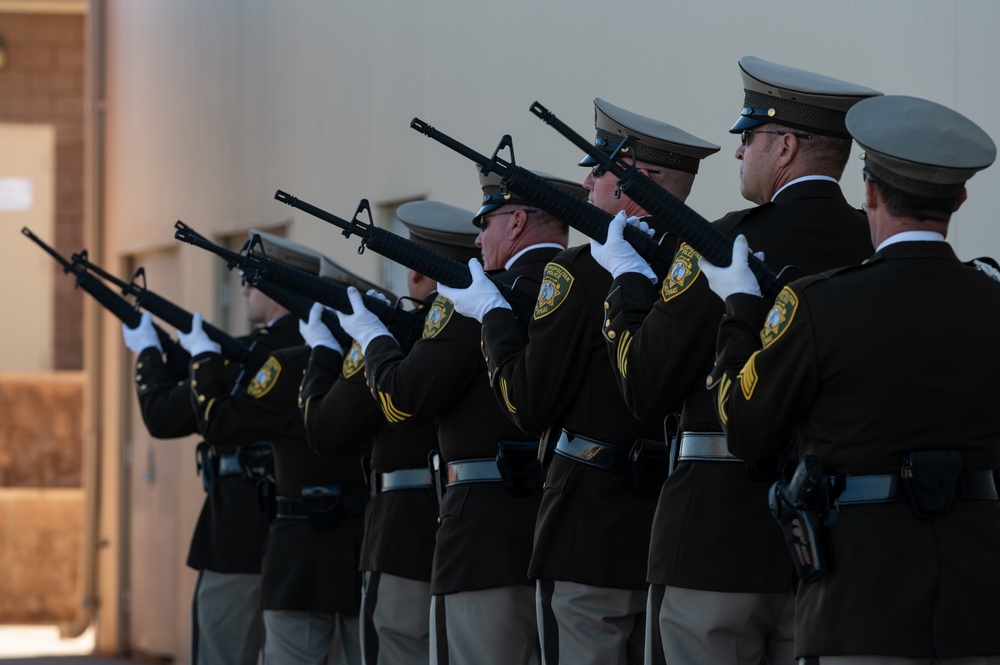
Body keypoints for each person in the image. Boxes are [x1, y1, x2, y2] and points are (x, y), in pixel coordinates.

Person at [591, 57, 880, 665]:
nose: (738, 153)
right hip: (835, 536)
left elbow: (645, 384)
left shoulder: (725, 241)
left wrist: (625, 283)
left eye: (747, 138)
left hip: (717, 532)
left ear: (786, 147)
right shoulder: (873, 247)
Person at [702, 94, 1000, 665]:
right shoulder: (992, 303)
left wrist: (739, 311)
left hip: (861, 605)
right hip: (979, 605)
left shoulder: (820, 306)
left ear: (868, 192)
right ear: (960, 197)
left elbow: (746, 428)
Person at [439, 98, 718, 665]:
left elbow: (528, 402)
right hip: (673, 533)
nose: (587, 181)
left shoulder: (576, 274)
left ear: (635, 185)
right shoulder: (703, 268)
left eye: (600, 168)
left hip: (587, 531)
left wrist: (491, 315)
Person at [336, 174, 575, 665]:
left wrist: (372, 338)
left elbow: (404, 401)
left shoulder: (476, 297)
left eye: (484, 224)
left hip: (483, 537)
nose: (478, 240)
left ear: (517, 223)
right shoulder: (585, 287)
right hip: (571, 535)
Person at [181, 232, 371, 665]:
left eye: (252, 280)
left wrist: (201, 358)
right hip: (363, 548)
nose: (245, 288)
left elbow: (219, 423)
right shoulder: (379, 362)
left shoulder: (287, 365)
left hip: (299, 554)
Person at [299, 201, 475, 665]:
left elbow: (325, 429)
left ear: (418, 275)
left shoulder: (394, 338)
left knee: (397, 648)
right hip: (471, 527)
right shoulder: (482, 322)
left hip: (401, 533)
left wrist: (322, 352)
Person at [121, 262, 295, 665]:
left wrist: (148, 351)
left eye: (251, 282)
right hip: (308, 538)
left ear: (276, 287)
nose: (245, 291)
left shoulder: (256, 357)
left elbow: (162, 416)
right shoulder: (314, 350)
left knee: (223, 650)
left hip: (236, 534)